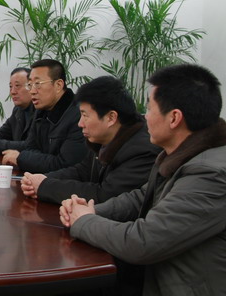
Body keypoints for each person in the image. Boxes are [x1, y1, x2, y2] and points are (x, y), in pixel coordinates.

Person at [60, 64, 226, 295]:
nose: (145, 117)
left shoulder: (210, 174)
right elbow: (140, 197)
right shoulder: (179, 155)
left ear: (174, 118)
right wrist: (92, 210)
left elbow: (143, 241)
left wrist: (84, 221)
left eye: (149, 109)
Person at [21, 76, 160, 204]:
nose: (80, 123)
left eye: (85, 115)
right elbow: (82, 171)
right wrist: (42, 179)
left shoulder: (142, 150)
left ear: (111, 118)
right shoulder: (101, 140)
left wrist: (45, 186)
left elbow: (104, 195)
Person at [1, 59, 87, 173]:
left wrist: (21, 158)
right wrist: (36, 159)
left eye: (37, 84)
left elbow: (65, 165)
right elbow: (30, 148)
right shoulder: (41, 111)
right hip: (40, 178)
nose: (32, 91)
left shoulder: (79, 115)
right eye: (30, 85)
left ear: (58, 85)